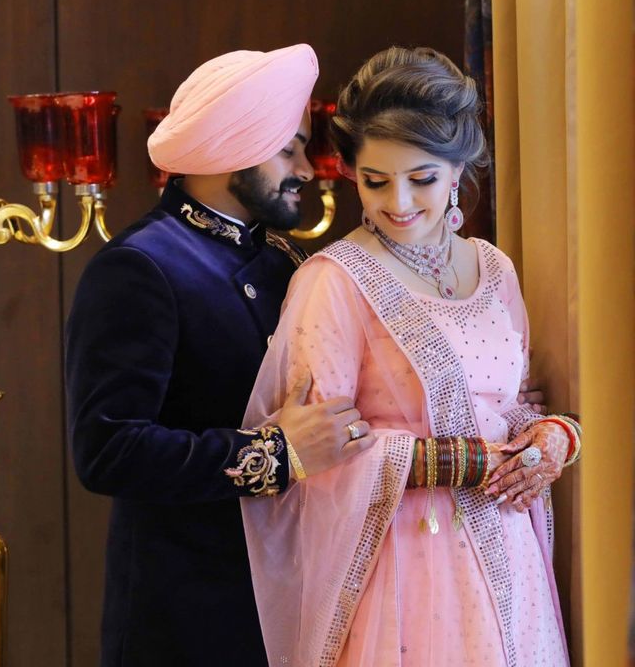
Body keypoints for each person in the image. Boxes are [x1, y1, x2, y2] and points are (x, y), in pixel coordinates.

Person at [241, 46, 581, 666]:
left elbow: (512, 405)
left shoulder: (494, 267)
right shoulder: (334, 281)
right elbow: (317, 449)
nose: (397, 202)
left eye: (421, 178)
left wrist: (556, 438)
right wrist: (466, 460)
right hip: (403, 565)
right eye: (375, 181)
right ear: (351, 174)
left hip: (508, 551)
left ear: (458, 171)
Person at [64, 44, 379, 667]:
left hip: (288, 600)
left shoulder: (282, 260)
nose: (308, 170)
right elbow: (107, 451)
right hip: (188, 620)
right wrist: (275, 455)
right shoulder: (140, 267)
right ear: (231, 147)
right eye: (288, 147)